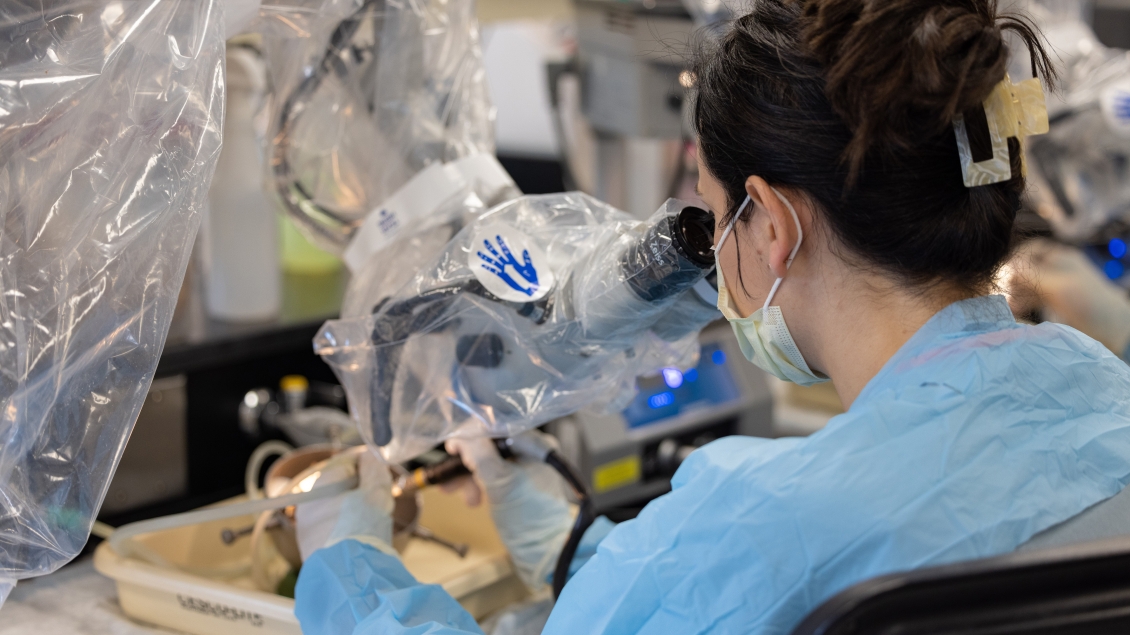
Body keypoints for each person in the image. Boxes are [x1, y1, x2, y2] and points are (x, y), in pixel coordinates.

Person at [293, 1, 1130, 633]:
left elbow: (738, 572)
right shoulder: (1106, 396)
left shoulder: (757, 522)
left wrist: (348, 569)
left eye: (713, 213)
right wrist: (573, 548)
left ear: (770, 224)